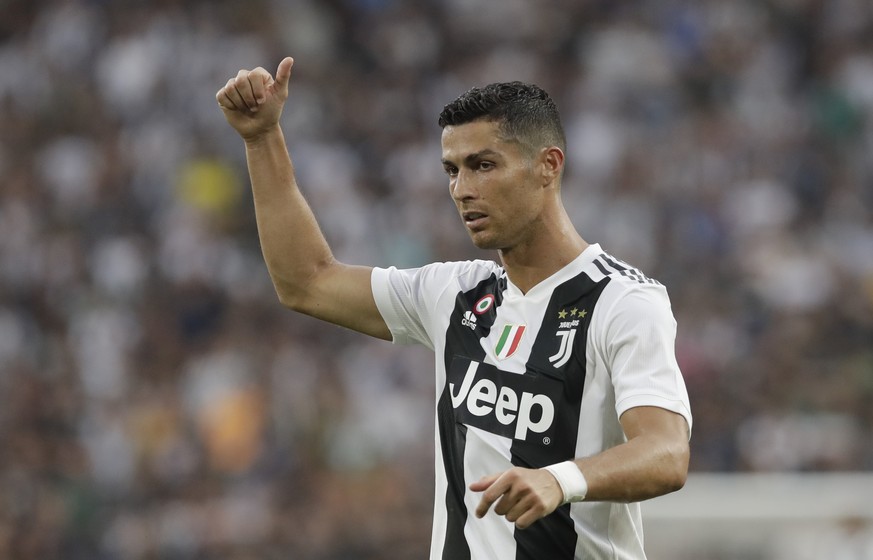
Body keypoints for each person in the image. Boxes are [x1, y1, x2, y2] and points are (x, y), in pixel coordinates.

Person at [216, 56, 692, 560]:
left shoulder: (623, 302)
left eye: (483, 165)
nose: (462, 190)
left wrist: (560, 480)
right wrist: (261, 139)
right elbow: (306, 283)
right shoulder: (456, 294)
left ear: (548, 166)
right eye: (452, 170)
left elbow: (666, 454)